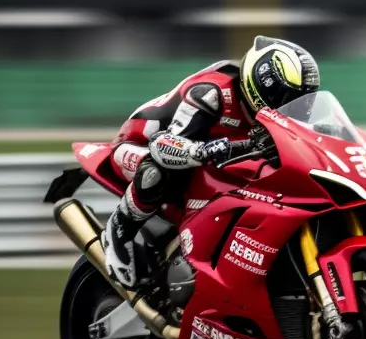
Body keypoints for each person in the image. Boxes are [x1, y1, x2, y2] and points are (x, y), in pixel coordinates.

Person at [100, 35, 319, 288]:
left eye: (304, 100)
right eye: (287, 98)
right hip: (138, 146)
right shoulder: (212, 93)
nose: (295, 108)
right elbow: (164, 146)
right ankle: (119, 230)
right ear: (264, 86)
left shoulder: (273, 116)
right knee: (156, 173)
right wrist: (205, 150)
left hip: (197, 159)